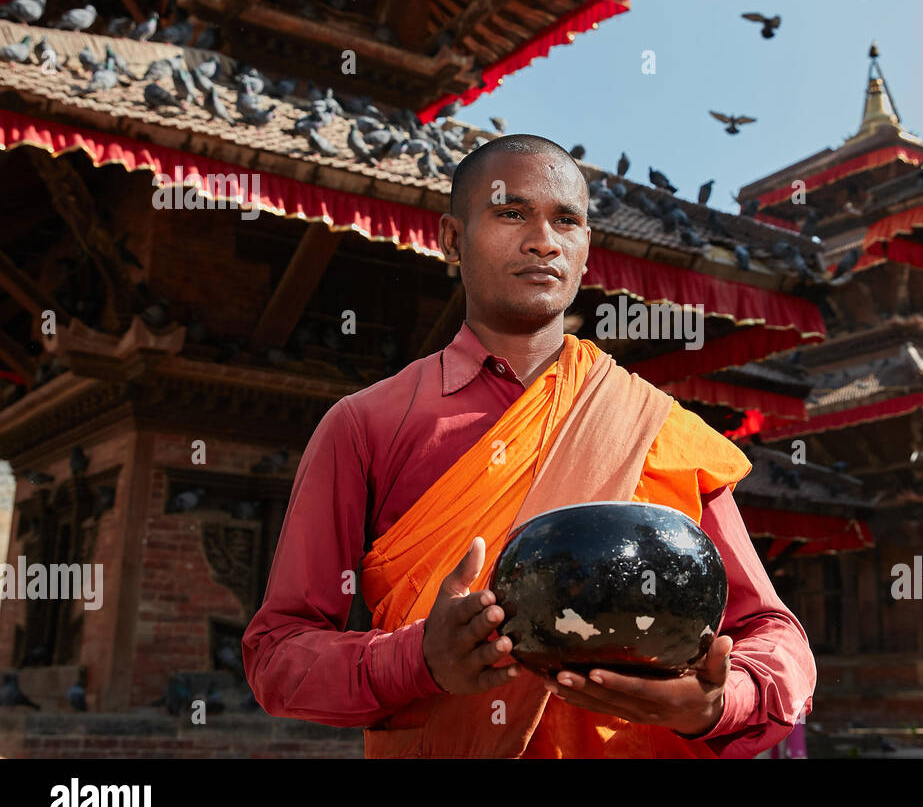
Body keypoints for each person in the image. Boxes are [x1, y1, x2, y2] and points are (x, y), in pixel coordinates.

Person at [242, 133, 816, 757]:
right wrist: (416, 660)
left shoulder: (654, 425)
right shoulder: (367, 424)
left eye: (565, 220)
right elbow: (278, 654)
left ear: (586, 250)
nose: (544, 240)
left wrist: (718, 700)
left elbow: (771, 631)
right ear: (452, 239)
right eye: (512, 212)